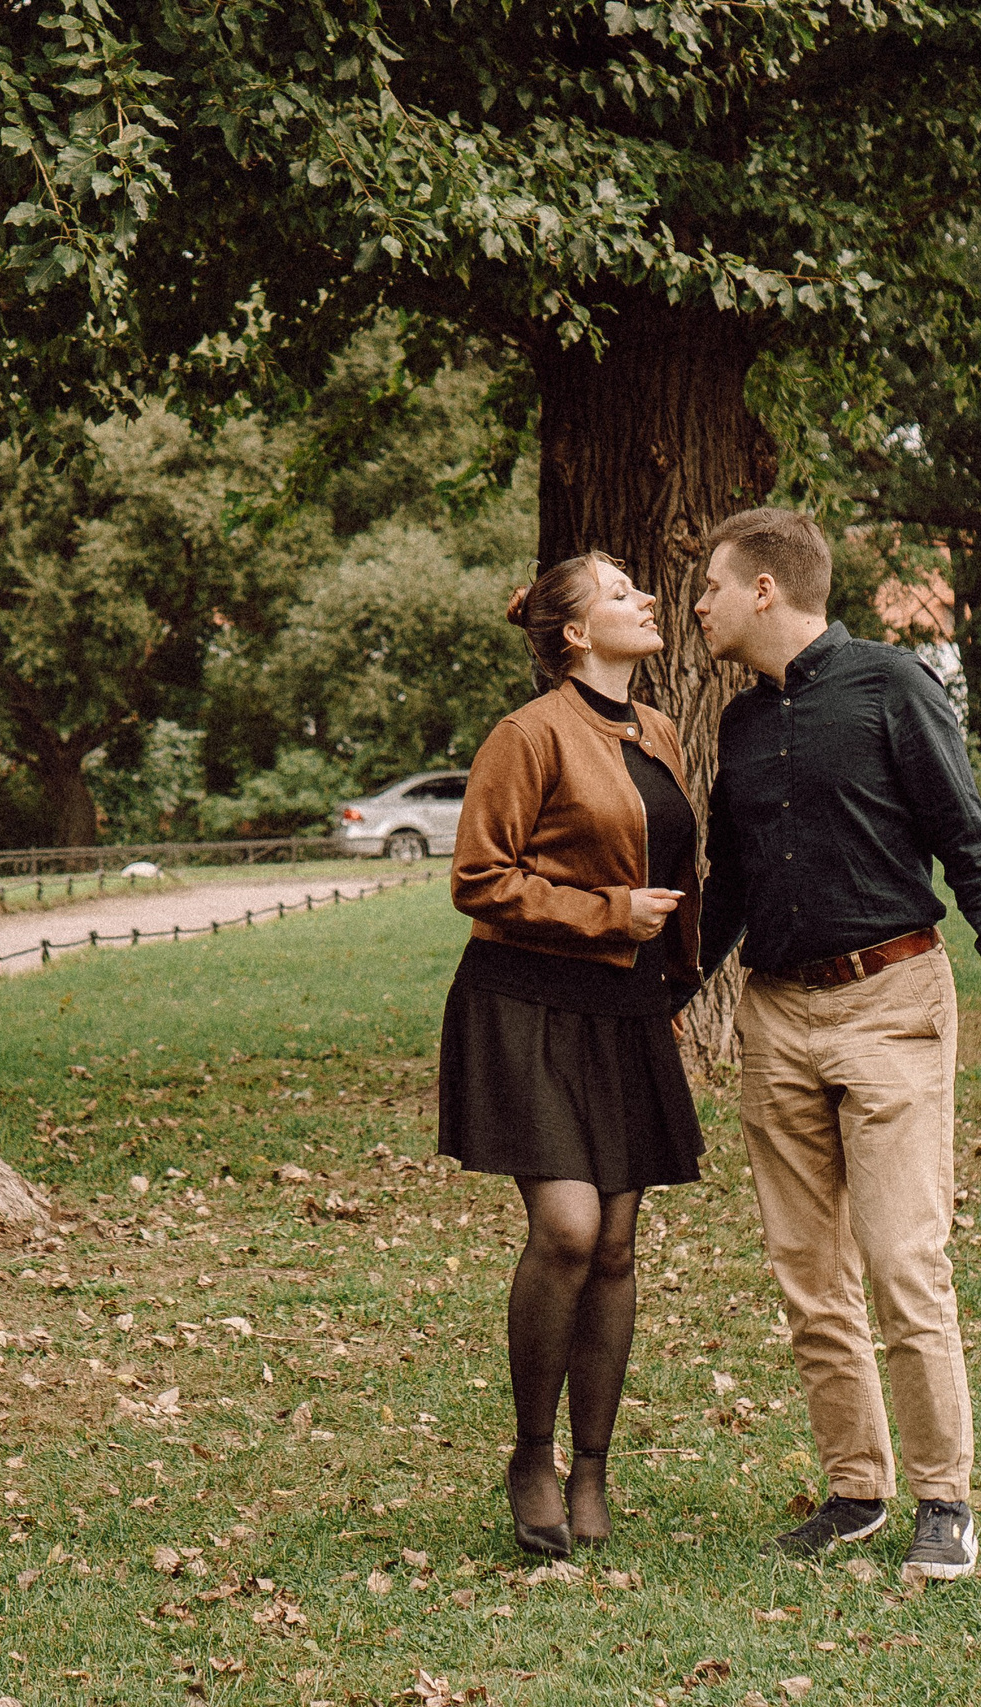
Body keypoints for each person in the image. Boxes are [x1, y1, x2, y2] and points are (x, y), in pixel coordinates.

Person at [691, 507, 981, 1581]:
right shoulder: (738, 725)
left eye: (712, 586)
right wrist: (667, 989)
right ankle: (856, 1490)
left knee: (902, 1259)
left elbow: (970, 844)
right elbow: (731, 887)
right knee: (809, 1271)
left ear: (765, 588)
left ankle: (945, 1499)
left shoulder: (893, 685)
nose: (699, 605)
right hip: (775, 1015)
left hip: (891, 999)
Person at [440, 549, 706, 1558]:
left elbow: (674, 864)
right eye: (620, 593)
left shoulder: (659, 731)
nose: (647, 598)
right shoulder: (527, 735)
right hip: (529, 1006)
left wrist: (670, 983)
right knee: (567, 1228)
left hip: (626, 1011)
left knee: (619, 1246)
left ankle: (592, 1466)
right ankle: (531, 1455)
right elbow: (479, 878)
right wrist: (607, 913)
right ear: (576, 633)